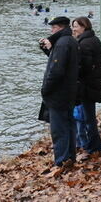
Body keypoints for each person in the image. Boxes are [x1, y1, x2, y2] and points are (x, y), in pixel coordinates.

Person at [38, 16, 79, 168]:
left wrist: (45, 89)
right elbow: (61, 63)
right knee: (68, 126)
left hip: (59, 94)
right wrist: (48, 50)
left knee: (59, 129)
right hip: (68, 93)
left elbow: (56, 71)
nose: (51, 30)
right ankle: (70, 158)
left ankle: (61, 162)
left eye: (53, 28)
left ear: (59, 27)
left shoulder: (62, 43)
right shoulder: (69, 41)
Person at [71, 17, 101, 155]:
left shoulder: (85, 44)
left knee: (88, 119)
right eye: (72, 26)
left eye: (75, 26)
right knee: (89, 118)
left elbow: (83, 68)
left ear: (83, 27)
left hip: (87, 87)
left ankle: (94, 147)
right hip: (93, 85)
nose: (73, 29)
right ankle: (94, 146)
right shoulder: (93, 39)